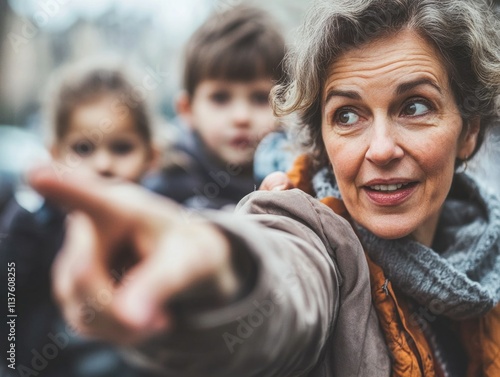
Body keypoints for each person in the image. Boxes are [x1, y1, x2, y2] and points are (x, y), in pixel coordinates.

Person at [28, 0, 500, 376]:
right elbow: (283, 284)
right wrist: (218, 270)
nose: (379, 149)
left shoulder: (487, 252)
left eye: (415, 106)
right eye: (348, 115)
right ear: (321, 142)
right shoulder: (316, 233)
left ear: (470, 130)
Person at [0, 58, 160, 376]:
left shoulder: (156, 225)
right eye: (84, 148)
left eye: (122, 147)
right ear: (55, 154)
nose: (103, 164)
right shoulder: (30, 223)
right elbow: (10, 320)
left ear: (151, 157)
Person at [143, 5, 286, 210]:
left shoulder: (302, 180)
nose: (241, 117)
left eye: (260, 98)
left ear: (287, 104)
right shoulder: (165, 191)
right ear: (187, 110)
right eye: (220, 98)